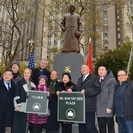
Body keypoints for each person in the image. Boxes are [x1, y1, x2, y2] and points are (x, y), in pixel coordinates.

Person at [77, 64, 101, 133]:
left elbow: (97, 89)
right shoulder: (79, 79)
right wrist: (71, 90)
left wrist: (86, 91)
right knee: (81, 127)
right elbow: (78, 90)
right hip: (80, 107)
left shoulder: (94, 78)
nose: (83, 69)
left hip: (89, 107)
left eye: (84, 68)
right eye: (82, 68)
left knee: (90, 127)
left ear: (88, 69)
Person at [12, 68, 36, 133]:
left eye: (28, 73)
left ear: (30, 74)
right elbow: (16, 93)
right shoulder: (19, 82)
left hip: (28, 106)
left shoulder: (31, 84)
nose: (26, 74)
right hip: (20, 105)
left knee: (25, 124)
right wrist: (17, 105)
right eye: (25, 73)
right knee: (18, 124)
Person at [96, 66, 116, 133]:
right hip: (99, 108)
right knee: (101, 127)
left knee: (110, 127)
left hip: (107, 108)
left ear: (106, 71)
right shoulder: (96, 80)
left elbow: (112, 94)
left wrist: (109, 107)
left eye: (102, 70)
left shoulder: (111, 80)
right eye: (99, 70)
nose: (100, 71)